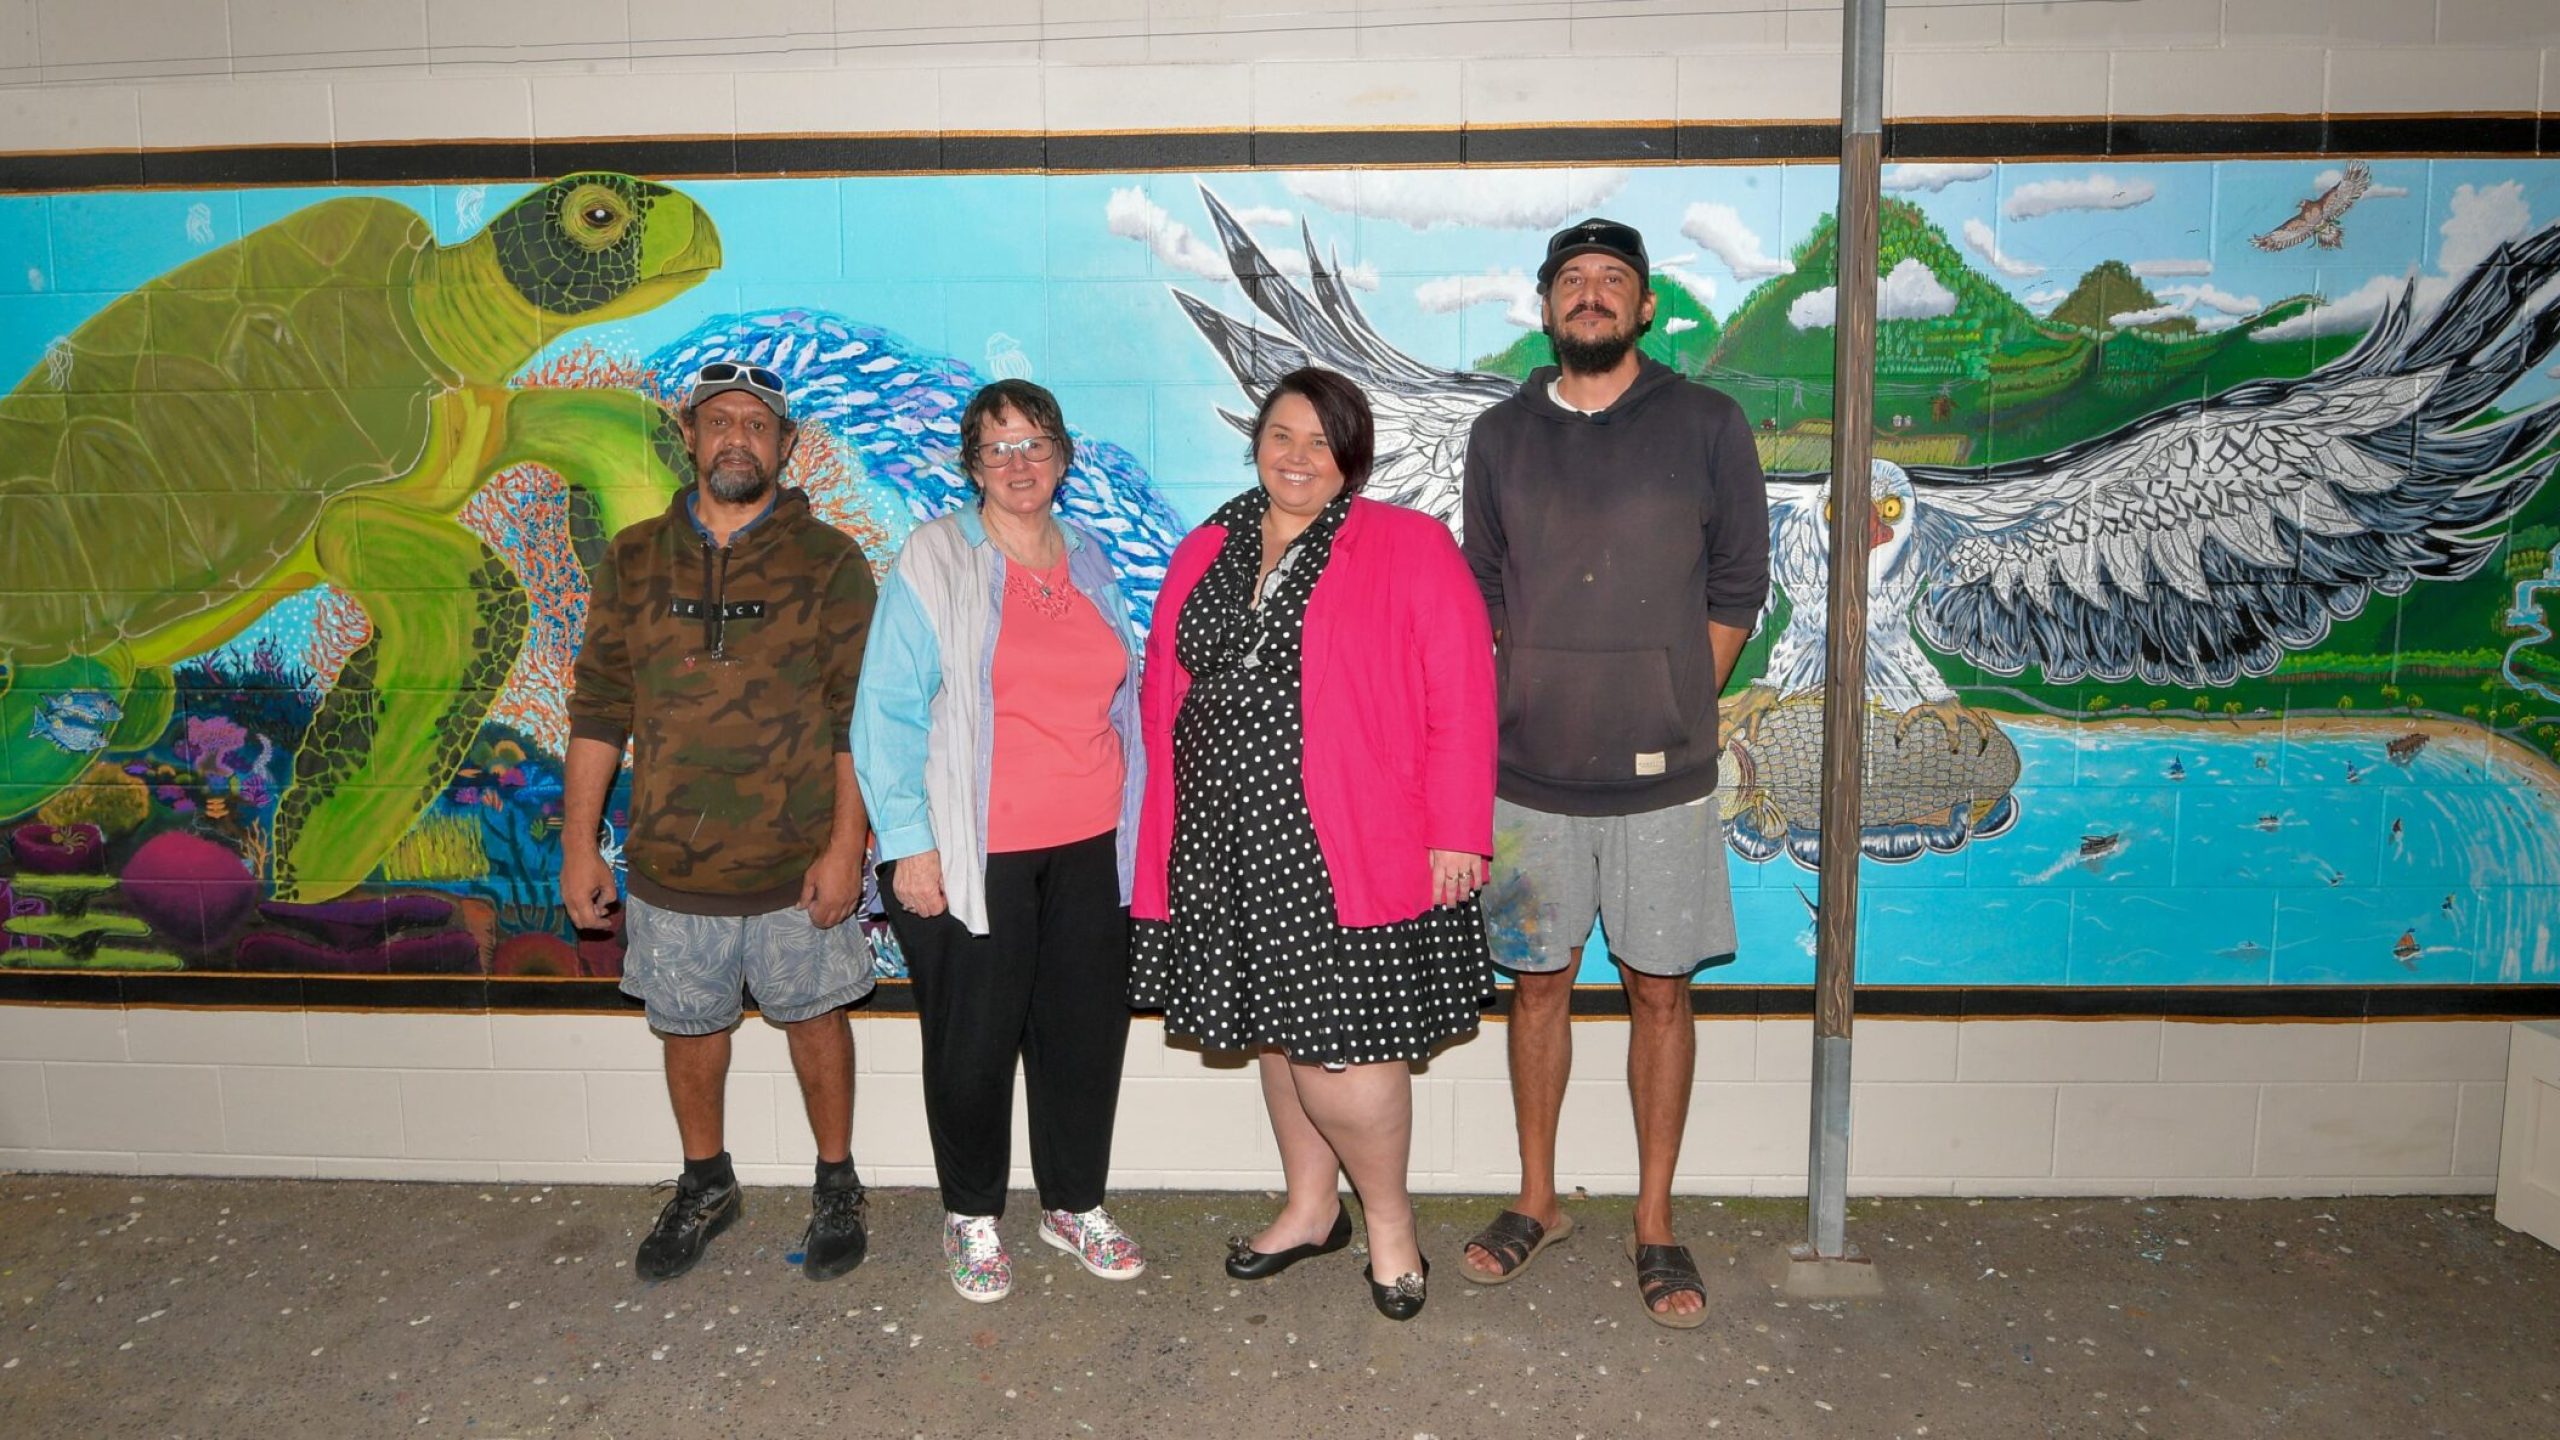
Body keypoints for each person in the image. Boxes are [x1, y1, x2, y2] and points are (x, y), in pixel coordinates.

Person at [1131, 366, 1496, 1323]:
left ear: (1352, 458)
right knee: (1276, 1029)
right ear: (1257, 441)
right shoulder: (1205, 544)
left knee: (1344, 1050)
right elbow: (1164, 692)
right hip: (1222, 835)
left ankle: (1390, 1227)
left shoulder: (1409, 545)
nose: (1298, 456)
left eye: (1320, 441)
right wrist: (1162, 837)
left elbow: (1462, 694)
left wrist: (1458, 831)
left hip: (1349, 841)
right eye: (1282, 435)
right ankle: (1308, 1208)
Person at [1456, 218, 1771, 1328]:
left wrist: (1669, 688)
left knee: (1659, 990)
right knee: (1535, 988)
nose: (1591, 296)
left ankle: (1652, 1221)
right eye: (1571, 281)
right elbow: (1480, 590)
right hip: (1527, 779)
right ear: (1545, 309)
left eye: (1614, 281)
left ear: (1646, 309)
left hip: (1665, 781)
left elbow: (1738, 584)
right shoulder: (1498, 436)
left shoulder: (1707, 424)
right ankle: (1537, 1201)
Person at [560, 361, 879, 1284]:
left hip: (796, 860)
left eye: (757, 424)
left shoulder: (831, 563)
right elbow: (598, 708)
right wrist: (581, 842)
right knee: (689, 1026)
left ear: (785, 445)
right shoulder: (631, 557)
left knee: (815, 1016)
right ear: (691, 437)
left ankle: (837, 1183)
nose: (737, 436)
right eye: (720, 421)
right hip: (671, 860)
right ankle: (706, 1183)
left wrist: (845, 847)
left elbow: (855, 715)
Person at [852, 379, 1150, 1304]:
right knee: (973, 1045)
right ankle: (972, 1215)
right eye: (998, 447)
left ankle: (1073, 1204)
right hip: (972, 853)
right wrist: (909, 844)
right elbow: (885, 712)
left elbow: (1122, 706)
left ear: (1064, 456)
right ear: (971, 465)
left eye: (1035, 444)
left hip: (1091, 847)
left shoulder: (1093, 559)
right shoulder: (935, 557)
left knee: (1082, 1040)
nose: (1019, 463)